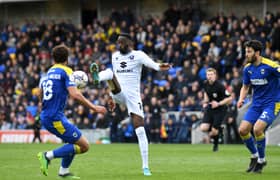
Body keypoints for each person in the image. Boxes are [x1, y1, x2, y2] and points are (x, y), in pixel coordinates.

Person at [90, 33, 171, 176]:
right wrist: (112, 99)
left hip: (133, 97)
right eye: (118, 42)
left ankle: (145, 167)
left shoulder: (139, 55)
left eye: (121, 43)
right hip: (119, 93)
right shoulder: (115, 56)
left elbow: (155, 66)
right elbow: (114, 78)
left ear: (129, 43)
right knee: (109, 72)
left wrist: (165, 66)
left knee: (140, 130)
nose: (119, 45)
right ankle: (97, 78)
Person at [37, 44, 107, 178]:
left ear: (54, 58)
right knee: (84, 146)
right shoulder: (66, 71)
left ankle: (63, 172)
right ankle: (47, 156)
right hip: (54, 117)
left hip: (51, 115)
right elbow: (75, 95)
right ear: (67, 59)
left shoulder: (50, 71)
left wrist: (47, 105)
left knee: (73, 142)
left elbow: (40, 92)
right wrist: (94, 107)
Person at [237, 40, 280, 173]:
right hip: (256, 104)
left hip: (271, 103)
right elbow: (245, 87)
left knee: (257, 129)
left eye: (249, 52)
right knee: (243, 130)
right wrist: (241, 99)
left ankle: (261, 160)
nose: (246, 54)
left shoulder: (271, 66)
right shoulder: (247, 69)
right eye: (246, 51)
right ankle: (255, 156)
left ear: (257, 52)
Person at [200, 68, 232, 152]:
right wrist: (205, 102)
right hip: (211, 108)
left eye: (211, 74)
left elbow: (230, 98)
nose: (209, 76)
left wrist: (218, 103)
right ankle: (218, 129)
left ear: (215, 75)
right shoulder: (205, 84)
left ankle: (215, 145)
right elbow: (206, 93)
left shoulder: (220, 86)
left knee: (214, 131)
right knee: (203, 128)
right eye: (208, 75)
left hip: (220, 109)